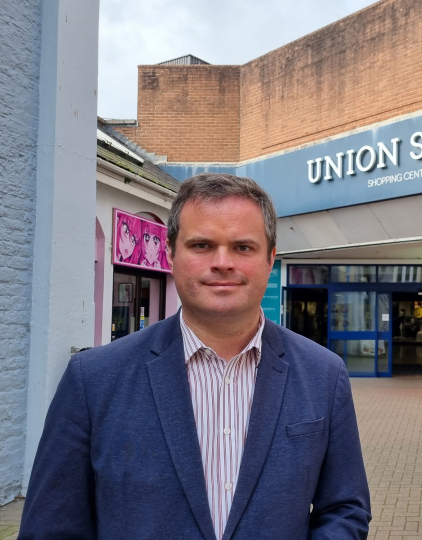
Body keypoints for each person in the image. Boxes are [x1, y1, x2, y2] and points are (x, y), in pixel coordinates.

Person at [20, 173, 371, 540]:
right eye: (202, 245)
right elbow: (51, 525)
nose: (222, 262)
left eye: (243, 247)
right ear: (170, 254)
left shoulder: (323, 374)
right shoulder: (93, 379)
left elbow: (345, 508)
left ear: (270, 259)